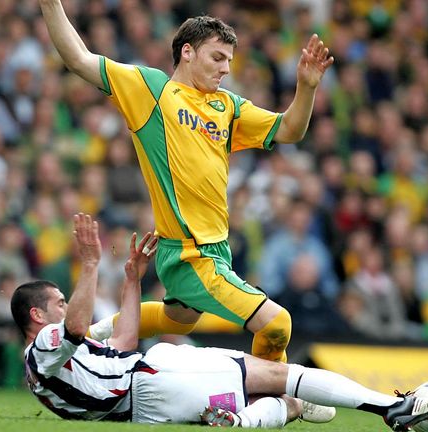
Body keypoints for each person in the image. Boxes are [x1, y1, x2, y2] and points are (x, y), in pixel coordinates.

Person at [38, 1, 334, 363]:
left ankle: (101, 331)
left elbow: (289, 129)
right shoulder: (151, 90)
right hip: (190, 251)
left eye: (229, 60)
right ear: (188, 52)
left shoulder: (229, 106)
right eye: (217, 58)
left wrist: (306, 88)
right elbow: (79, 59)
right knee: (277, 325)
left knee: (178, 320)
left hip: (215, 247)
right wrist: (50, 4)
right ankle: (269, 401)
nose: (226, 68)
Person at [11, 214, 428, 429]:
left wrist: (132, 280)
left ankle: (241, 420)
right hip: (156, 377)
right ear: (37, 315)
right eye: (59, 302)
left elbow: (123, 341)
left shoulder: (51, 364)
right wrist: (89, 264)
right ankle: (391, 408)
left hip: (146, 402)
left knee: (288, 402)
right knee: (279, 375)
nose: (66, 308)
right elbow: (72, 329)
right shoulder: (45, 345)